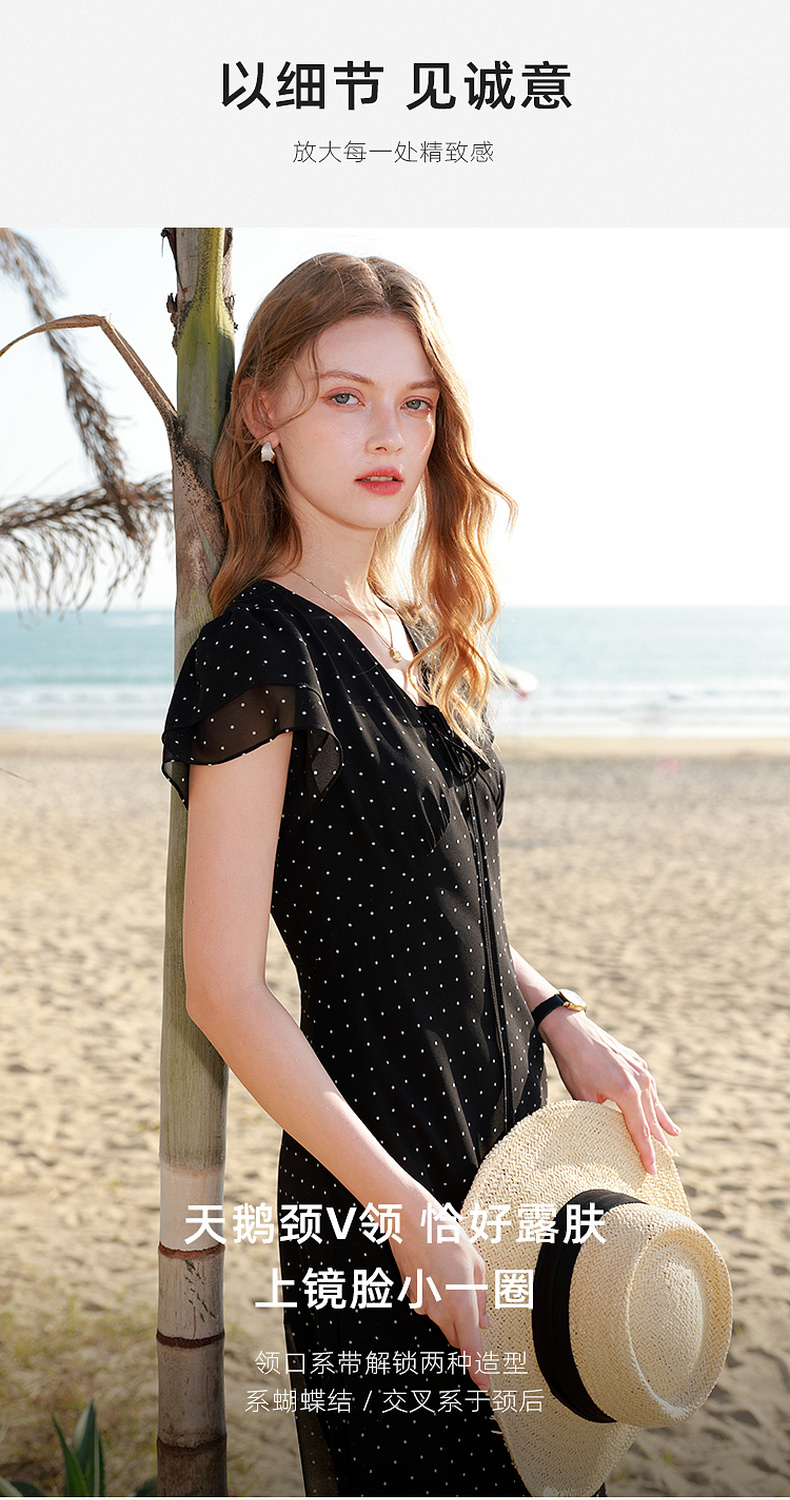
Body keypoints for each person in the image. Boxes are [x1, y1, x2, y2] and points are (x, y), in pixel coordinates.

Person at [162, 253, 679, 1498]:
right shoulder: (259, 655)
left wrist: (557, 1013)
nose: (387, 434)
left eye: (415, 403)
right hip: (381, 1172)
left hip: (504, 1139)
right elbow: (221, 989)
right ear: (263, 413)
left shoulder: (416, 634)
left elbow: (432, 893)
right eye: (344, 396)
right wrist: (403, 1212)